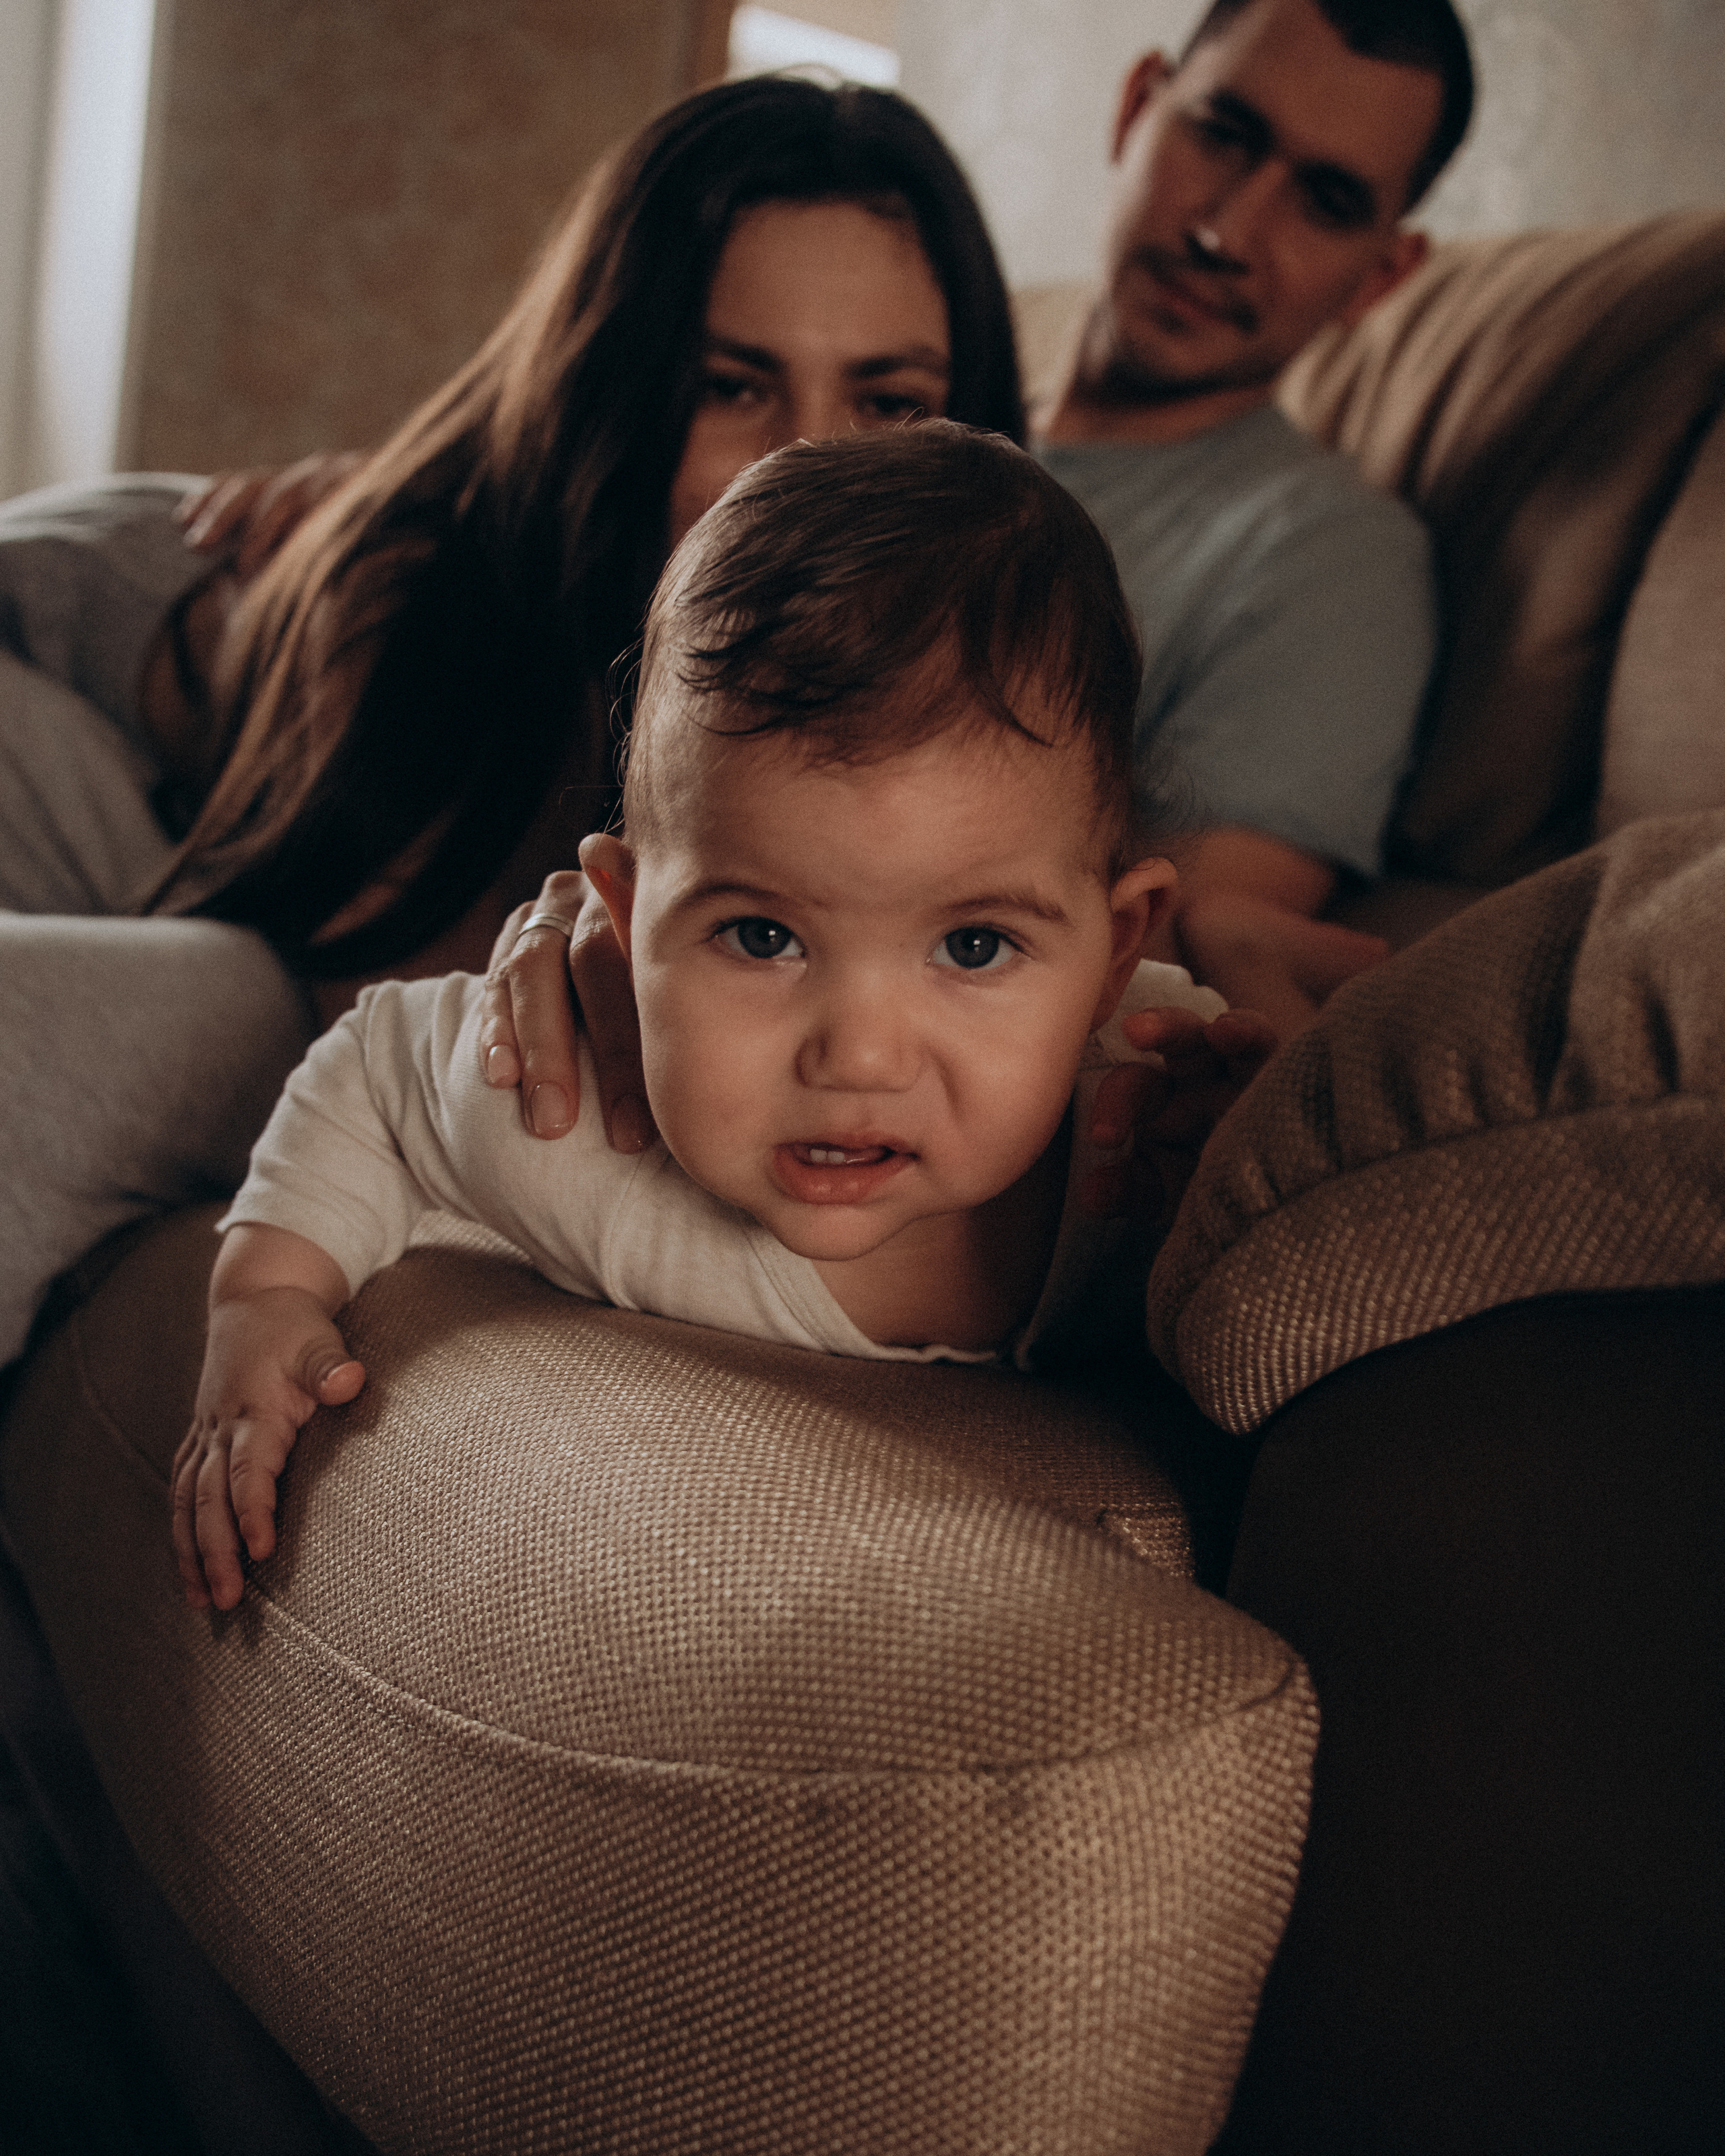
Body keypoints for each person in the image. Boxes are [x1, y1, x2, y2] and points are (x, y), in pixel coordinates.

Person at [0, 74, 1026, 1370]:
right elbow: (401, 1029)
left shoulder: (991, 674)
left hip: (208, 798)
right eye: (732, 384)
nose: (806, 468)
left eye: (886, 402)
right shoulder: (434, 605)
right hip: (84, 633)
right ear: (618, 393)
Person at [172, 424, 1275, 1612]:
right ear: (628, 922)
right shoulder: (574, 1119)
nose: (859, 1054)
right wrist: (267, 1295)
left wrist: (1266, 1148)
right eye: (762, 937)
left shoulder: (1153, 1116)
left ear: (1113, 956)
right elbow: (375, 1074)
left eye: (973, 946)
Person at [1032, 0, 1476, 1036]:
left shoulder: (1332, 563)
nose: (1224, 232)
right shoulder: (913, 382)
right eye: (1223, 135)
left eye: (1324, 201)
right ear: (1138, 107)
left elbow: (1154, 971)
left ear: (1383, 276)